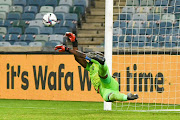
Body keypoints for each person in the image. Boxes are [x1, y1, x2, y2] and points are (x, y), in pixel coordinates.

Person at [55, 32, 138, 102]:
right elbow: (77, 58)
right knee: (109, 97)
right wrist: (74, 42)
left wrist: (67, 48)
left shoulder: (94, 61)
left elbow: (80, 55)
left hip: (106, 81)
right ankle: (127, 97)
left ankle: (103, 64)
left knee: (103, 75)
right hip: (104, 88)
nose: (94, 55)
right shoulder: (90, 66)